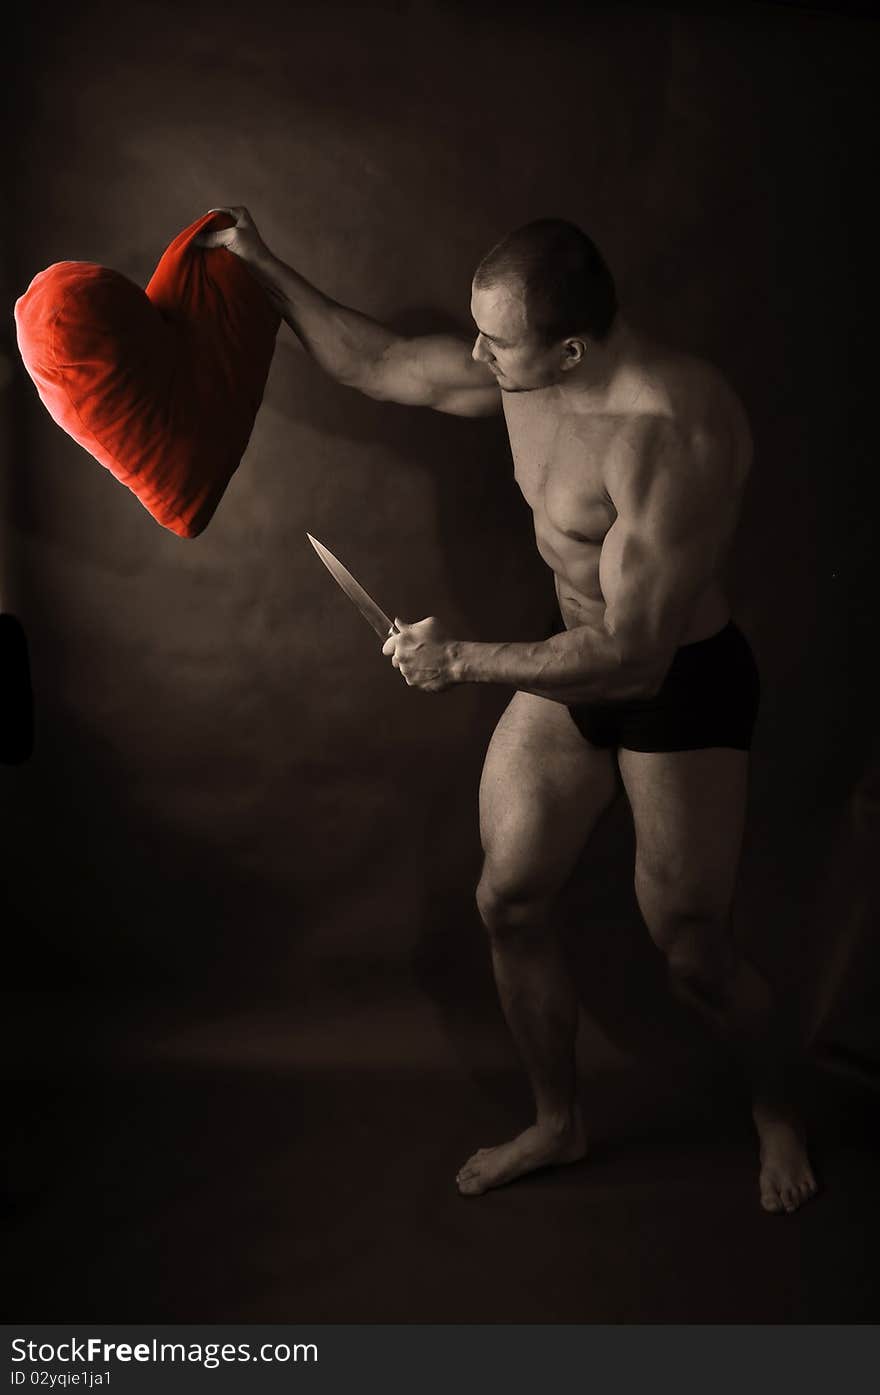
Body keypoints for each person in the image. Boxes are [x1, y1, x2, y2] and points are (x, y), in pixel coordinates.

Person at [196, 208, 818, 1213]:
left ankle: (777, 1113)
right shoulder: (520, 375)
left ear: (569, 348)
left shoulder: (673, 433)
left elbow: (631, 655)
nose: (477, 354)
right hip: (569, 659)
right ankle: (557, 1123)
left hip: (673, 682)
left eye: (497, 341)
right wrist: (257, 264)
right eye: (476, 332)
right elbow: (379, 363)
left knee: (692, 950)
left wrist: (461, 663)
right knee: (507, 898)